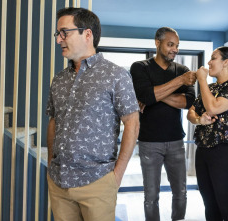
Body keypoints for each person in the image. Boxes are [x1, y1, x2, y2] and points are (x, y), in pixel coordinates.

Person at [46, 7, 140, 221]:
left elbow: (132, 123)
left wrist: (116, 177)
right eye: (57, 34)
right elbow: (53, 121)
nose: (59, 39)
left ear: (87, 34)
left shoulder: (116, 75)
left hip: (98, 182)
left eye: (64, 32)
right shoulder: (59, 80)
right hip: (59, 182)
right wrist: (51, 162)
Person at [130, 27, 196, 221]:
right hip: (149, 143)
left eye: (177, 46)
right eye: (170, 44)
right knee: (151, 196)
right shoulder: (140, 67)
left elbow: (188, 102)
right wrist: (179, 83)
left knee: (181, 193)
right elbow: (146, 96)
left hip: (176, 141)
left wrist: (152, 95)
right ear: (157, 43)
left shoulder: (182, 69)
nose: (175, 49)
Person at [187, 46, 228, 221]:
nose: (208, 62)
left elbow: (213, 107)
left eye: (213, 58)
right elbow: (191, 112)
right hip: (204, 150)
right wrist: (199, 120)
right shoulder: (211, 88)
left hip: (227, 151)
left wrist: (202, 81)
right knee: (210, 205)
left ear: (225, 62)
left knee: (225, 204)